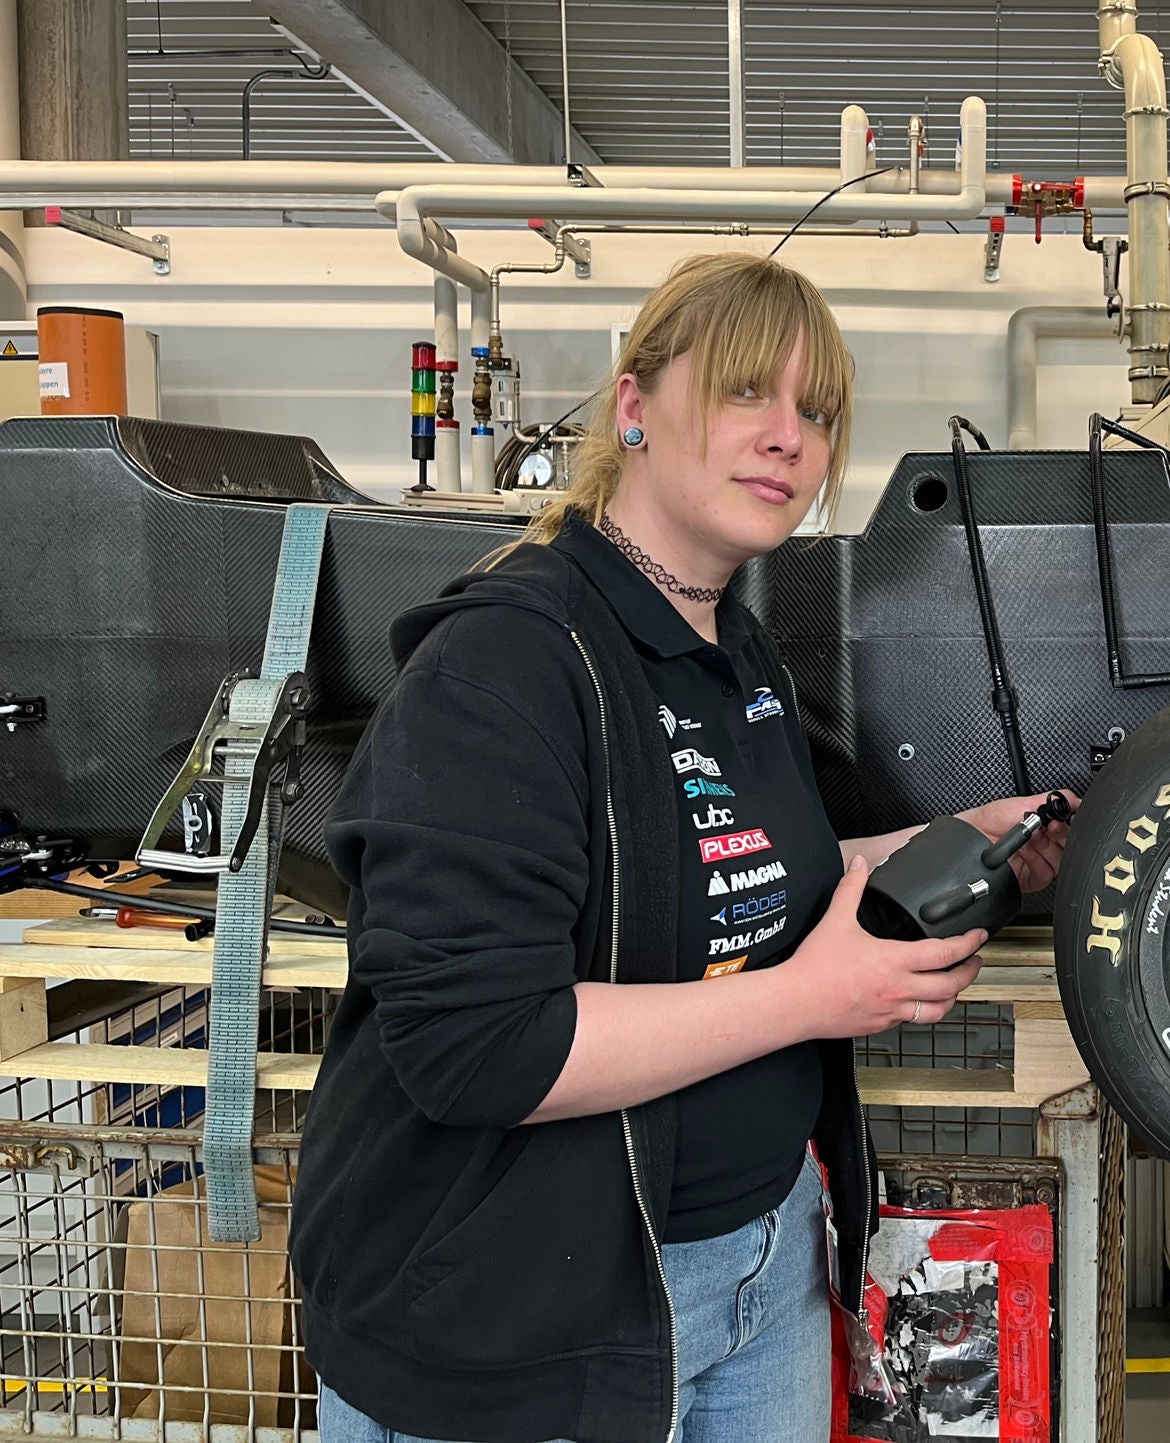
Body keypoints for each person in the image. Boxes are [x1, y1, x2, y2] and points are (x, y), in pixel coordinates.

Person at [291, 252, 1072, 1443]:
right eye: (746, 392)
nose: (786, 438)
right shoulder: (507, 664)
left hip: (759, 1270)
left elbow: (748, 871)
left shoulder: (730, 652)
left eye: (815, 414)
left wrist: (963, 839)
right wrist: (811, 997)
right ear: (634, 407)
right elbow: (480, 1048)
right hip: (527, 1321)